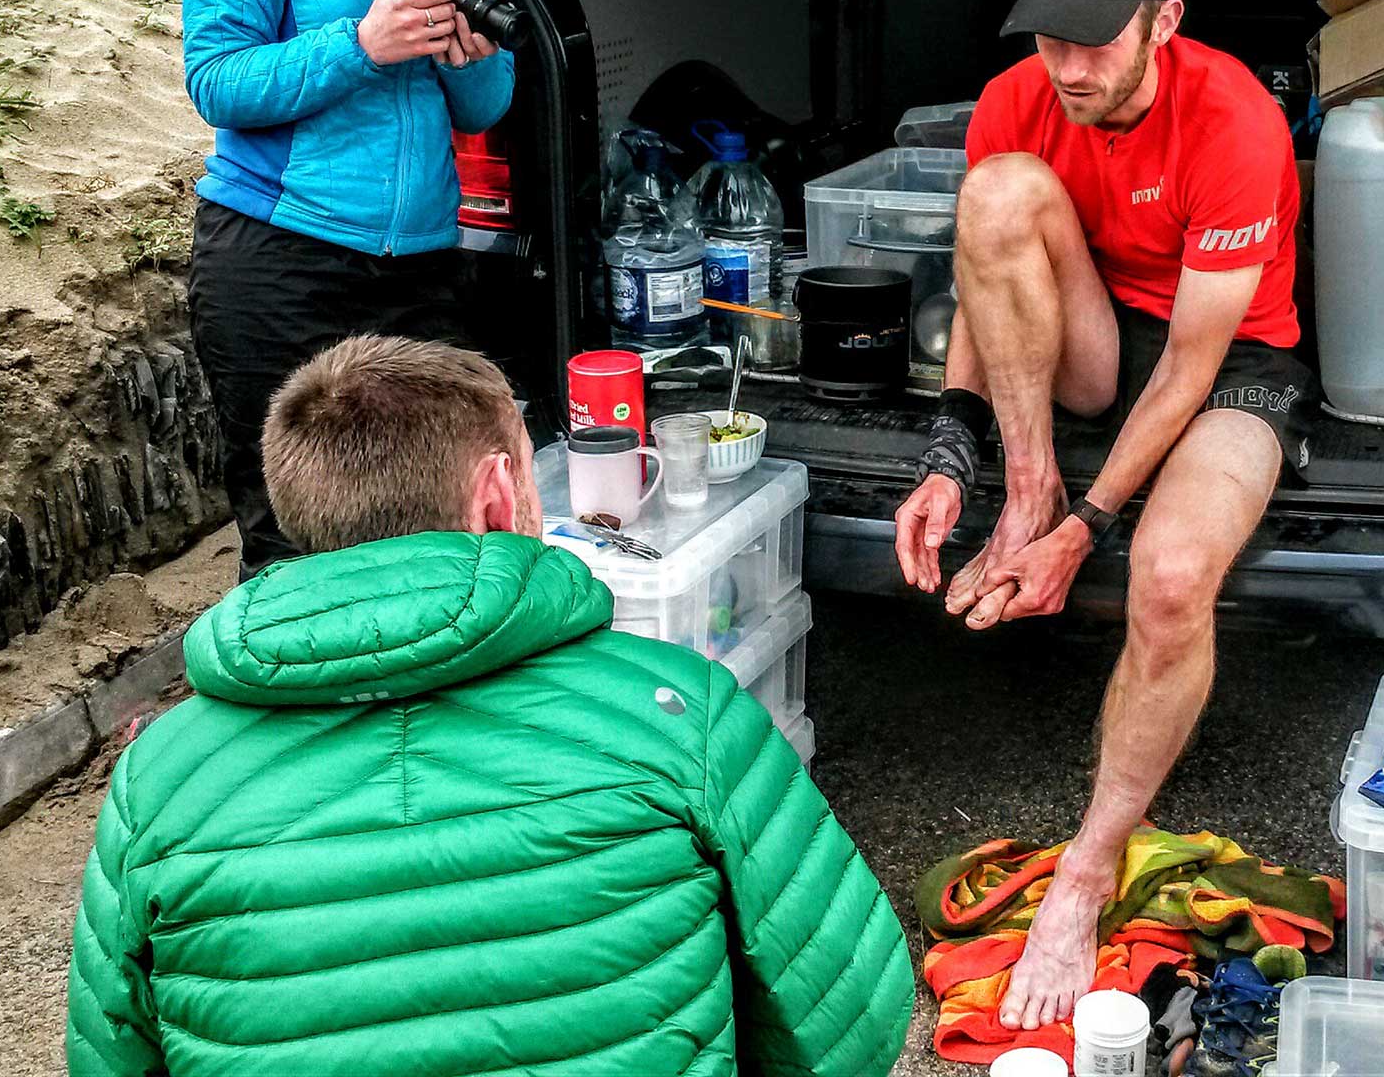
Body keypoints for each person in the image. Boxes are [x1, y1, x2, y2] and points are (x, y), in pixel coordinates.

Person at [67, 335, 915, 1077]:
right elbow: (853, 1025)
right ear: (498, 496)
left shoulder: (161, 779)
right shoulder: (677, 710)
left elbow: (112, 1056)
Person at [892, 0, 1314, 1032]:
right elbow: (987, 279)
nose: (1066, 66)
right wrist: (959, 456)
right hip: (1092, 341)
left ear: (1161, 21)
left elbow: (1187, 363)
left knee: (1171, 579)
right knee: (993, 192)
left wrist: (1089, 525)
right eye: (1048, 38)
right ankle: (1024, 494)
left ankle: (1088, 862)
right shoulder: (1018, 96)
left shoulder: (1234, 121)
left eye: (1094, 40)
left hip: (1227, 362)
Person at [183, 0, 512, 583]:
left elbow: (485, 112)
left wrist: (476, 60)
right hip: (283, 264)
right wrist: (362, 44)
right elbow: (216, 82)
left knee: (440, 523)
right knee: (293, 538)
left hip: (422, 267)